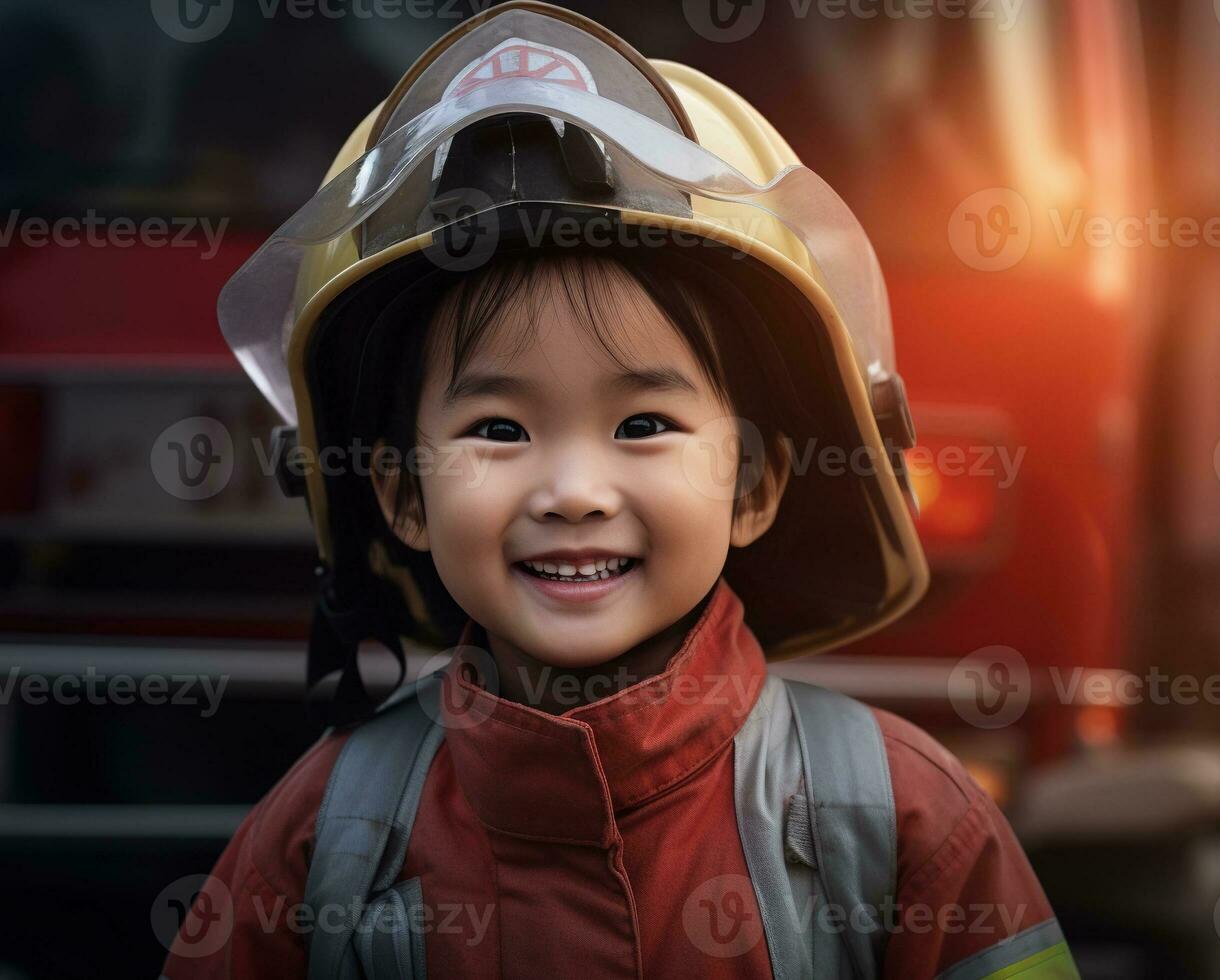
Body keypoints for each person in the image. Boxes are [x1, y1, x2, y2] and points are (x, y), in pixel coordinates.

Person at [165, 4, 1078, 977]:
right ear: (401, 494)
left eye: (642, 425)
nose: (572, 490)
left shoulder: (901, 824)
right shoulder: (326, 842)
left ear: (756, 482)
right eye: (499, 429)